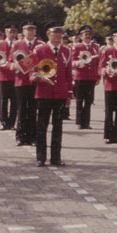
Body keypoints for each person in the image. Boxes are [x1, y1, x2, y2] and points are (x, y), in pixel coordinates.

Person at [31, 22, 73, 167]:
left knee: (58, 127)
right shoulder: (39, 50)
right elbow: (26, 67)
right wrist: (35, 76)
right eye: (55, 33)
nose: (58, 36)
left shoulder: (67, 51)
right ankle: (40, 157)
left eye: (60, 34)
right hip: (43, 93)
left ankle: (56, 158)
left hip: (60, 94)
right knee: (42, 126)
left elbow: (68, 74)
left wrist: (69, 94)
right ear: (48, 34)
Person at [12, 21, 43, 146]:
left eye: (32, 30)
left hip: (36, 81)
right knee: (22, 109)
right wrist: (15, 66)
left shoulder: (41, 45)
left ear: (35, 32)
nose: (30, 32)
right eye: (27, 30)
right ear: (23, 32)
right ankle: (20, 136)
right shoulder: (17, 44)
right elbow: (9, 61)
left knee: (33, 110)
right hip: (21, 81)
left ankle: (33, 137)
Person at [72, 25, 100, 129]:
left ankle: (86, 122)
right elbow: (72, 61)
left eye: (89, 34)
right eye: (85, 34)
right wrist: (78, 63)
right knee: (79, 100)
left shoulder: (95, 47)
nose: (88, 36)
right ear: (81, 36)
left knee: (89, 101)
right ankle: (79, 122)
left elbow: (98, 63)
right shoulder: (77, 47)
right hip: (80, 76)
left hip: (91, 77)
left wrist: (98, 77)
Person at [0, 25, 18, 130]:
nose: (12, 34)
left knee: (14, 101)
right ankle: (3, 122)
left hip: (15, 77)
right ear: (6, 32)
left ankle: (12, 123)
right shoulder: (0, 44)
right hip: (3, 76)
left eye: (14, 32)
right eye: (10, 32)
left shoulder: (18, 44)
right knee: (3, 100)